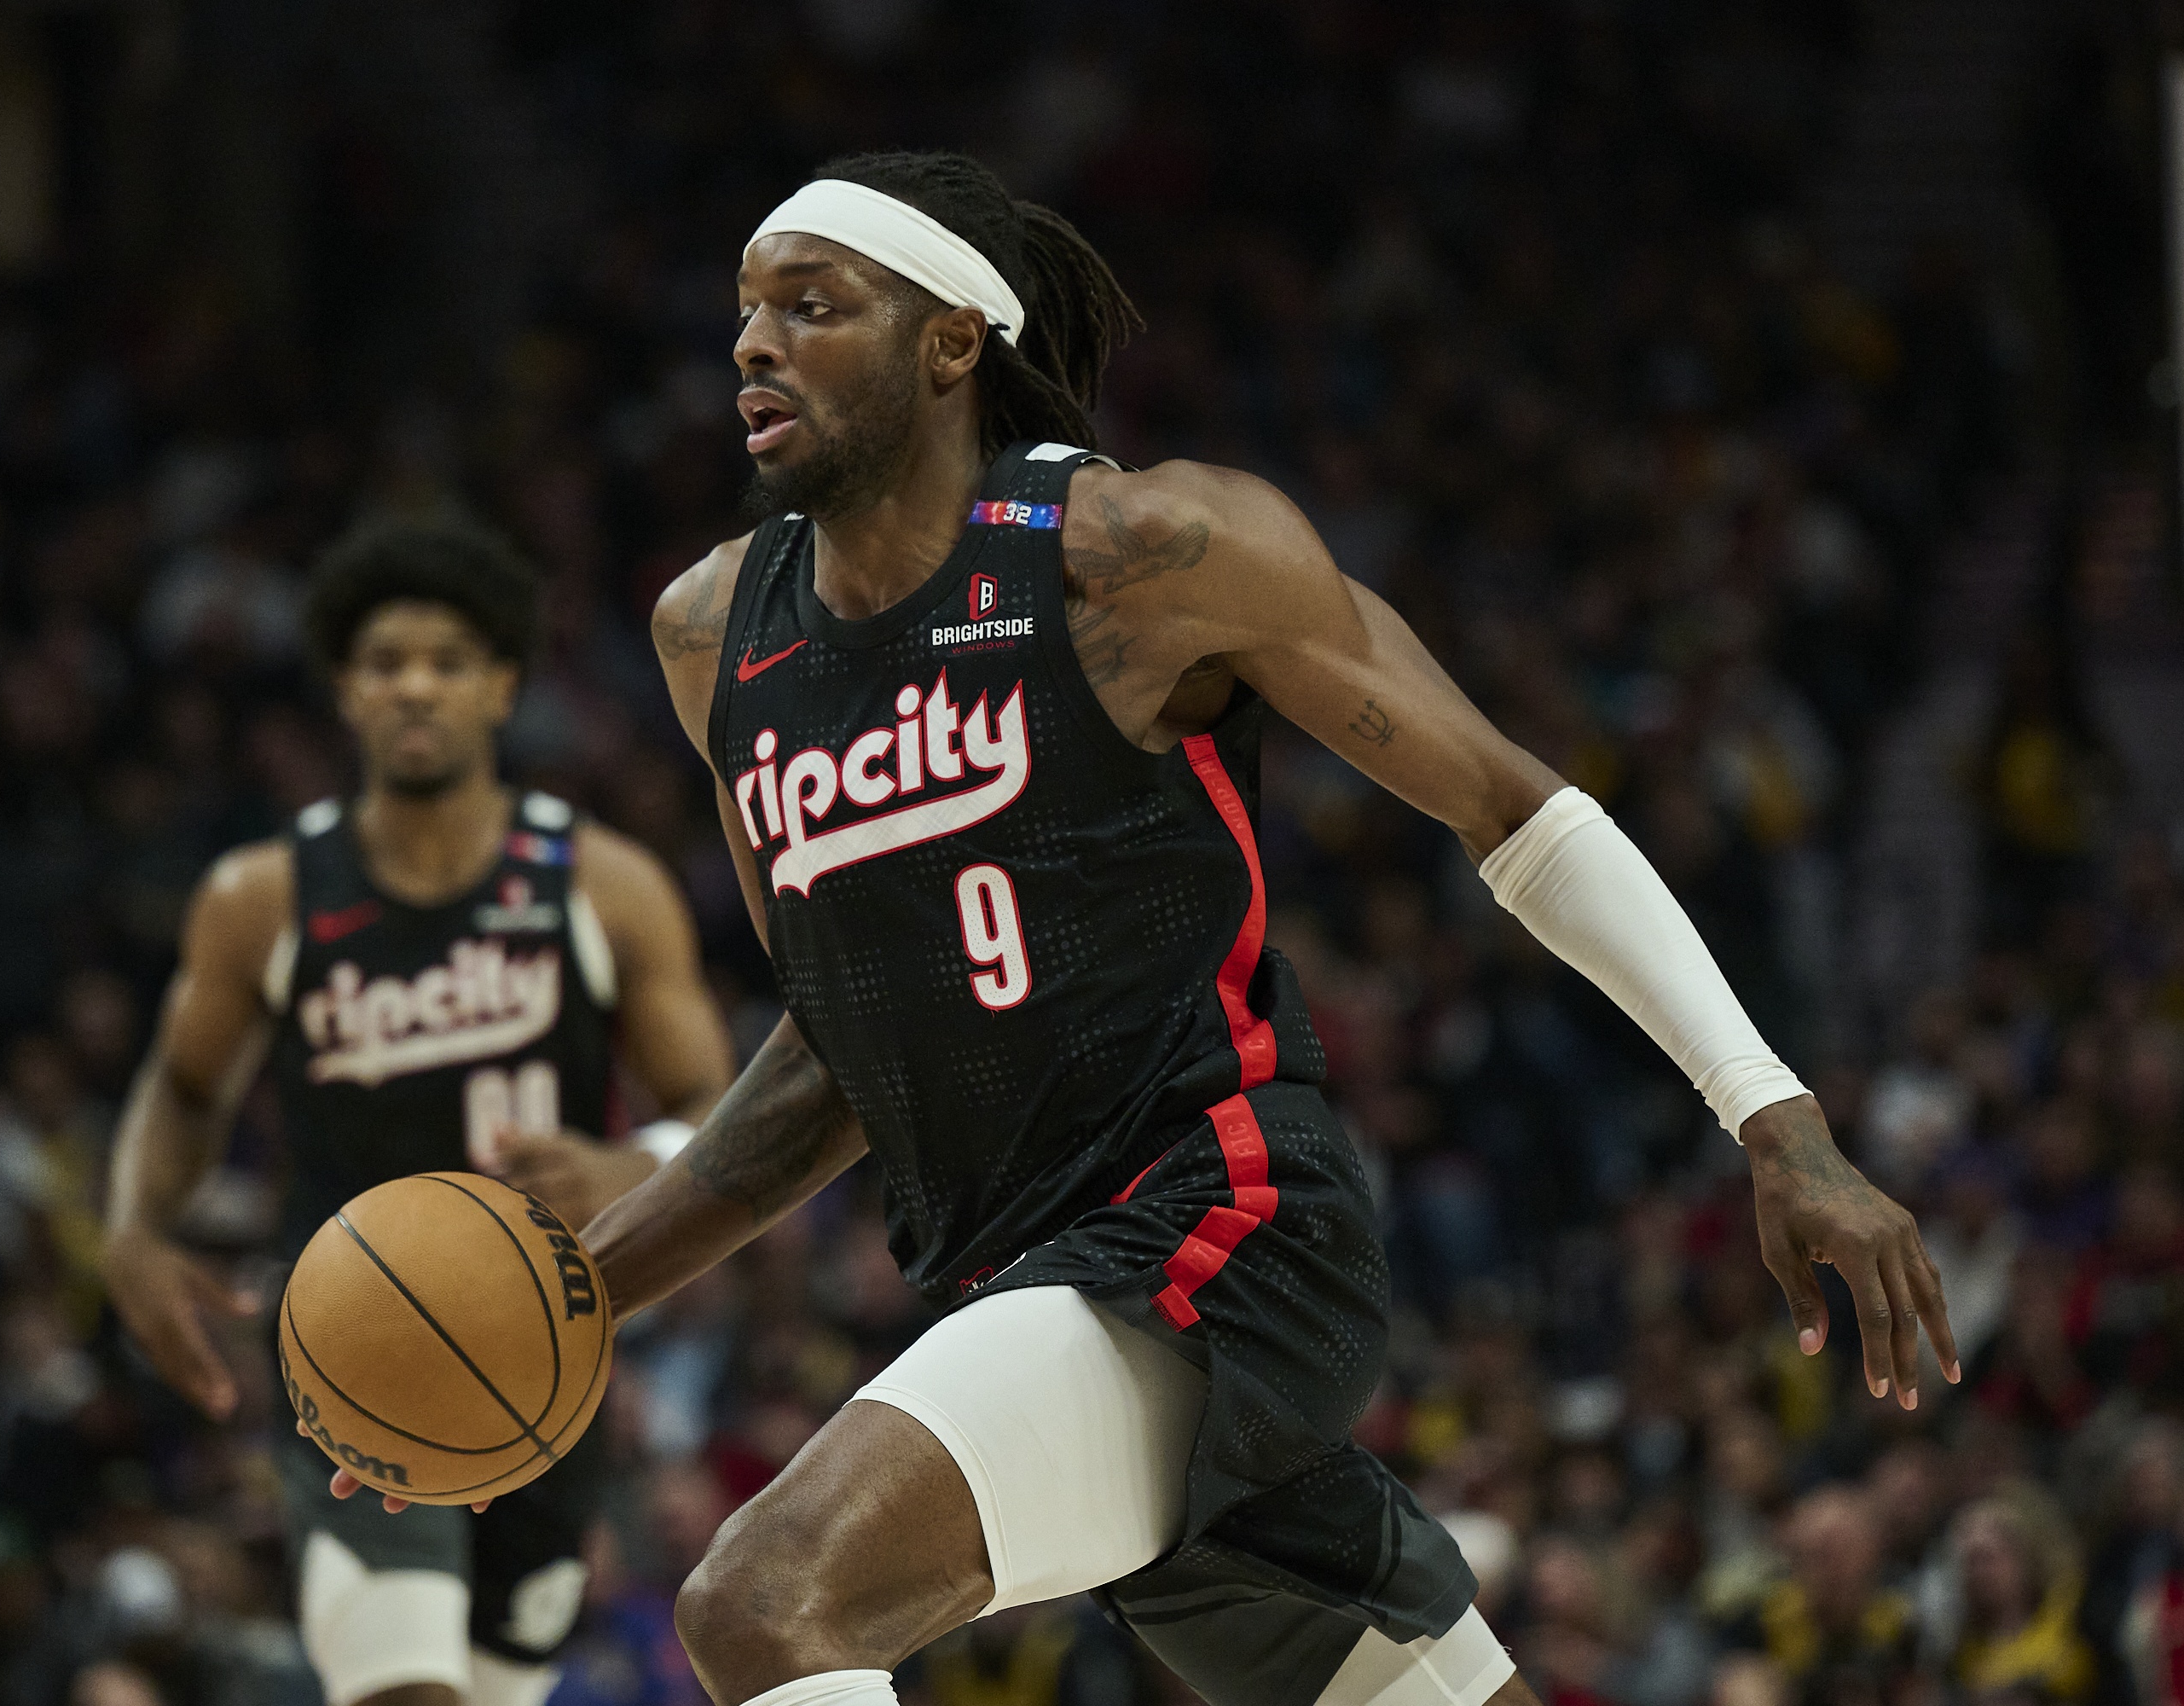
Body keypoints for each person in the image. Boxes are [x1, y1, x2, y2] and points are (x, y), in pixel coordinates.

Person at [339, 151, 1957, 1706]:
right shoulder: (719, 639)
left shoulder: (1139, 555)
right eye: (747, 310)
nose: (756, 343)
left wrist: (1776, 1119)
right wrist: (569, 1305)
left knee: (764, 1603)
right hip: (1035, 1287)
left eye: (814, 305)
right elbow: (845, 1054)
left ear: (951, 342)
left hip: (1222, 1221)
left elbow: (1511, 807)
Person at [101, 518, 736, 1706]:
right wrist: (133, 1226)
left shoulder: (603, 884)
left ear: (503, 685)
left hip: (544, 1353)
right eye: (386, 662)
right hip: (351, 1337)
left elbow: (717, 1103)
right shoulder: (263, 897)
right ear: (345, 691)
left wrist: (638, 1159)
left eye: (448, 660)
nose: (415, 685)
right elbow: (183, 1090)